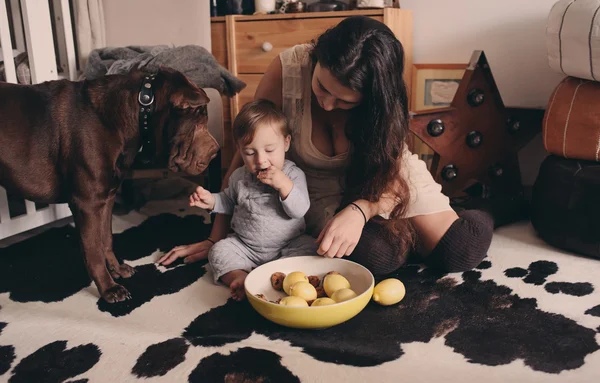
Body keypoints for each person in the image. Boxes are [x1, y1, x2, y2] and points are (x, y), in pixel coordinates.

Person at [158, 16, 495, 276]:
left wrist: (362, 209)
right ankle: (398, 233)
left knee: (459, 251)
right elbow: (248, 152)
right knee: (374, 257)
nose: (328, 104)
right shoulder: (287, 69)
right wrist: (216, 237)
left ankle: (482, 206)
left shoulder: (382, 103)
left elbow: (392, 172)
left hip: (383, 181)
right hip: (312, 189)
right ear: (318, 58)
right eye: (322, 87)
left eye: (344, 101)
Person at [168, 99, 316, 300]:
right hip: (246, 247)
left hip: (287, 246)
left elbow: (299, 210)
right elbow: (228, 202)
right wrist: (210, 201)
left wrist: (283, 185)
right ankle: (240, 278)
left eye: (270, 150)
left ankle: (286, 277)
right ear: (240, 150)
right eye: (249, 153)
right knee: (218, 251)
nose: (260, 160)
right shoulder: (239, 176)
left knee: (311, 247)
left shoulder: (293, 175)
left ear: (286, 143)